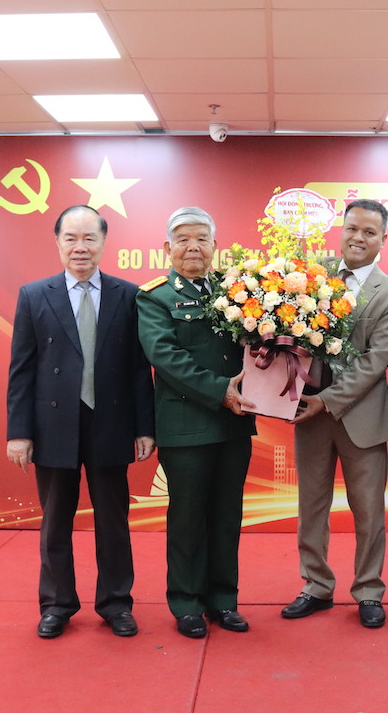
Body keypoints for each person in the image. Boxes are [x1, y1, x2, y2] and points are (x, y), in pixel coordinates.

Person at [5, 204, 155, 640]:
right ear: (57, 242)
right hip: (53, 425)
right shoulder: (34, 295)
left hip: (111, 422)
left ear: (104, 242)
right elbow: (21, 371)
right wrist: (19, 432)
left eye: (90, 238)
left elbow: (139, 369)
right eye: (71, 238)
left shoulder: (129, 295)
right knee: (55, 521)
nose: (80, 247)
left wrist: (145, 427)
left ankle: (116, 604)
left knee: (113, 521)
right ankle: (57, 605)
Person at [283, 200, 388, 628]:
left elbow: (375, 362)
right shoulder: (308, 277)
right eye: (352, 228)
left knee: (369, 512)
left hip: (362, 418)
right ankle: (316, 585)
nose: (358, 238)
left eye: (369, 232)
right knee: (311, 506)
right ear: (341, 230)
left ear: (383, 239)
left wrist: (328, 399)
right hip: (310, 416)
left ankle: (369, 591)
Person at [136, 206, 257, 639]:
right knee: (187, 518)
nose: (193, 247)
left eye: (202, 239)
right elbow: (166, 357)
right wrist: (221, 390)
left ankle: (223, 600)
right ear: (167, 248)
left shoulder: (238, 291)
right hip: (185, 426)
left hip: (234, 425)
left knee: (227, 515)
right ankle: (186, 602)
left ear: (214, 246)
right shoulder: (154, 297)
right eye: (183, 239)